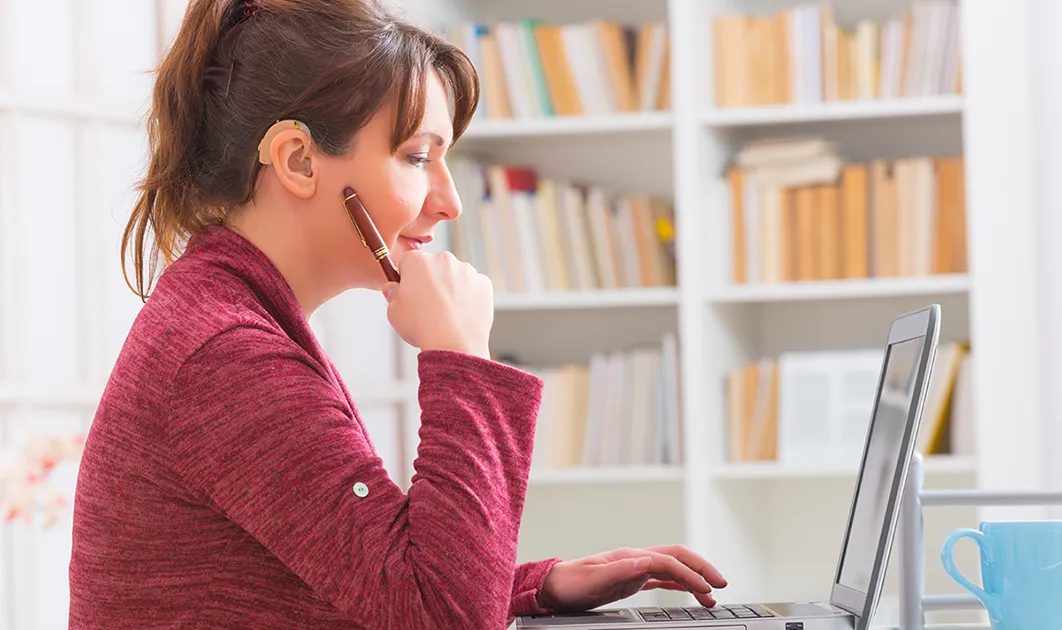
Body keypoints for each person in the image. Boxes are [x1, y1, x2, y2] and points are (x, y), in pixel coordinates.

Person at [67, 0, 727, 628]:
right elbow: (441, 617)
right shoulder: (226, 353)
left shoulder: (231, 319)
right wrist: (461, 358)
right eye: (417, 157)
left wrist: (530, 587)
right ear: (298, 160)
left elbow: (381, 584)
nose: (449, 201)